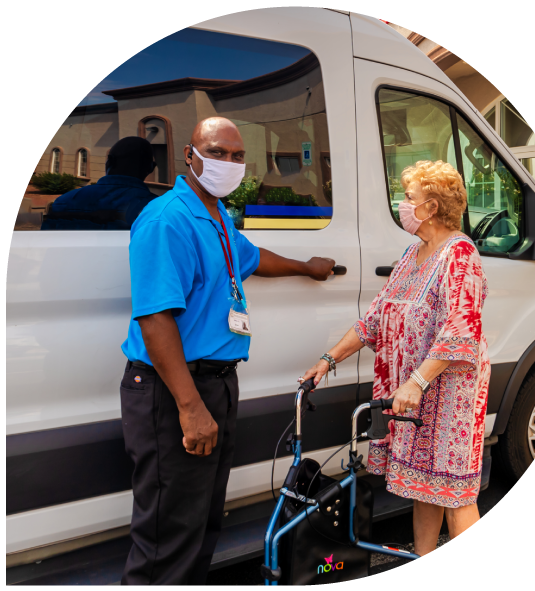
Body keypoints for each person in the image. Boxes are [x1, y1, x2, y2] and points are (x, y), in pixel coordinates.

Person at [120, 117, 335, 586]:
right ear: (190, 157)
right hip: (174, 391)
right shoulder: (167, 219)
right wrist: (190, 407)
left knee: (201, 526)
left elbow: (251, 257)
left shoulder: (215, 214)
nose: (230, 164)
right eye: (218, 153)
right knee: (167, 538)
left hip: (215, 383)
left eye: (238, 156)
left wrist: (307, 267)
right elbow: (155, 322)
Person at [302, 160, 490, 557]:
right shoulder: (412, 254)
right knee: (425, 488)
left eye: (409, 198)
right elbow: (374, 319)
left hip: (448, 399)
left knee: (454, 493)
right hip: (414, 398)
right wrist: (327, 359)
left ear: (432, 207)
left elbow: (461, 329)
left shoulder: (460, 255)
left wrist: (417, 382)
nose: (403, 205)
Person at [41, 137, 157, 230]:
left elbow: (47, 247)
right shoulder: (160, 208)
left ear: (109, 161)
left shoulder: (64, 201)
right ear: (151, 168)